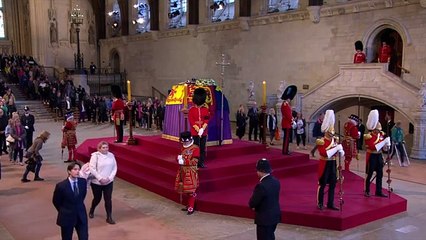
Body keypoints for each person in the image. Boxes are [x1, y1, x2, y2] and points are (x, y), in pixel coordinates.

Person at [316, 110, 344, 211]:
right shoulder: (321, 141)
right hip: (325, 163)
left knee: (333, 183)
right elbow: (324, 153)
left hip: (333, 163)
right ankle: (320, 202)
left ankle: (330, 203)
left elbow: (336, 153)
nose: (332, 135)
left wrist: (340, 151)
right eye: (330, 133)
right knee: (322, 184)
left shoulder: (334, 140)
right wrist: (336, 149)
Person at [52, 162, 88, 240]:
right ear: (69, 171)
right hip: (67, 216)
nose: (77, 171)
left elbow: (82, 196)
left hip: (81, 215)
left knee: (84, 237)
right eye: (75, 169)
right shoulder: (61, 186)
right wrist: (64, 210)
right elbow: (56, 201)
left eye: (78, 169)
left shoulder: (83, 182)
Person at [249, 158, 281, 240]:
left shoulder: (261, 186)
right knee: (270, 236)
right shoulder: (276, 181)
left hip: (264, 219)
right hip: (274, 216)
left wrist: (253, 206)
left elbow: (252, 202)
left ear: (261, 171)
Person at [88, 141, 118, 224]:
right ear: (99, 148)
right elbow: (92, 168)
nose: (105, 149)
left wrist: (110, 178)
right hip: (97, 182)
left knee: (108, 199)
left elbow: (114, 168)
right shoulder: (95, 156)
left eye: (107, 147)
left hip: (109, 182)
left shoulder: (111, 155)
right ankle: (92, 209)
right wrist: (100, 178)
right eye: (103, 148)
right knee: (97, 198)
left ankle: (109, 217)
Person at [364, 109, 391, 197]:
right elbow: (373, 147)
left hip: (379, 155)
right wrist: (383, 142)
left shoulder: (381, 135)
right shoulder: (369, 136)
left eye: (379, 130)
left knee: (380, 174)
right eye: (377, 130)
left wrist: (387, 145)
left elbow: (384, 149)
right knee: (369, 174)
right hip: (372, 155)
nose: (379, 131)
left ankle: (378, 191)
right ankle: (367, 190)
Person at [174, 131, 199, 215]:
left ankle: (191, 207)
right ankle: (189, 204)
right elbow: (179, 157)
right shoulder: (182, 147)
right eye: (183, 141)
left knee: (191, 190)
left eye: (186, 141)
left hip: (190, 171)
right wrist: (178, 159)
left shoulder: (195, 148)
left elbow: (195, 161)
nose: (185, 143)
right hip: (182, 171)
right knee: (185, 189)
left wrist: (184, 161)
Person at [188, 88, 210, 168]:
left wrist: (202, 129)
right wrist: (198, 130)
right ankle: (195, 162)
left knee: (202, 148)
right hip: (194, 132)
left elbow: (207, 120)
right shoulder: (191, 110)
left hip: (203, 133)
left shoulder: (205, 109)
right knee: (195, 148)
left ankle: (201, 162)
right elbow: (192, 121)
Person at [281, 85, 297, 155]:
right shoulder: (285, 104)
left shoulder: (286, 104)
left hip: (287, 123)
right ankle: (285, 151)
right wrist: (292, 121)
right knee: (287, 138)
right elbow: (288, 115)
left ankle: (286, 150)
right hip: (287, 124)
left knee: (287, 138)